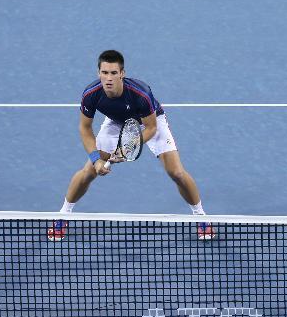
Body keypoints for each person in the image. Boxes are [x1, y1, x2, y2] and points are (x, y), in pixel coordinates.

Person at [47, 50, 214, 241]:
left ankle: (201, 217)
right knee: (88, 172)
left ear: (122, 73)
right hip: (115, 122)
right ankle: (62, 215)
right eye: (104, 72)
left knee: (176, 172)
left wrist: (128, 146)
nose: (108, 78)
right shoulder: (90, 94)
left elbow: (151, 128)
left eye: (113, 73)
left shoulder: (140, 94)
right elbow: (85, 129)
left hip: (149, 122)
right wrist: (96, 161)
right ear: (98, 73)